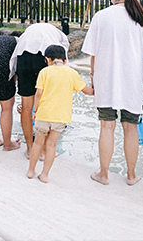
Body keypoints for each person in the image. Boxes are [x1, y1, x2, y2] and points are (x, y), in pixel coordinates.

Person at [82, 0, 143, 186]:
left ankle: (104, 174)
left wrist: (93, 75)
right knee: (130, 128)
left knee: (107, 127)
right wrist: (142, 83)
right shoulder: (142, 19)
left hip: (106, 80)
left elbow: (93, 53)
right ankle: (132, 175)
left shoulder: (101, 16)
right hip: (133, 83)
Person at [26, 45, 94, 183]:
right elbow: (88, 91)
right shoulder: (72, 73)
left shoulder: (44, 72)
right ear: (65, 59)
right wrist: (93, 80)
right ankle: (45, 175)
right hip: (60, 117)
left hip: (43, 114)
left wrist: (35, 110)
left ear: (48, 59)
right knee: (51, 145)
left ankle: (31, 171)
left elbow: (38, 93)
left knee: (38, 143)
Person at [9, 22, 70, 158]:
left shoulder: (30, 31)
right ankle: (43, 150)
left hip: (23, 57)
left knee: (26, 107)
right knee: (46, 103)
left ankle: (31, 149)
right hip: (42, 58)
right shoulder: (58, 36)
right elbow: (62, 53)